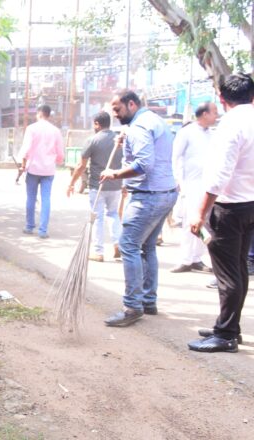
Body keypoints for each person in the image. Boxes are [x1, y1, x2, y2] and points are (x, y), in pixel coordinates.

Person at [187, 73, 254, 353]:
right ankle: (230, 327)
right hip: (249, 204)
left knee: (228, 274)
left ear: (221, 97)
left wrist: (200, 212)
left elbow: (219, 175)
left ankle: (225, 334)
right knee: (238, 268)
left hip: (229, 207)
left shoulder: (230, 125)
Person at [101, 90, 178, 327]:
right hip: (165, 193)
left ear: (131, 104)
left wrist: (115, 173)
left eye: (117, 109)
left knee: (129, 245)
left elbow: (144, 164)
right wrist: (127, 143)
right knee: (146, 247)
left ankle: (133, 306)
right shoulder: (153, 121)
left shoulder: (140, 127)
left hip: (149, 196)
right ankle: (147, 300)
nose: (114, 114)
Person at [67, 111, 123, 262]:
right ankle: (118, 243)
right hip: (116, 185)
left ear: (97, 124)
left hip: (97, 186)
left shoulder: (92, 140)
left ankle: (98, 252)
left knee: (97, 218)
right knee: (113, 214)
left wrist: (72, 183)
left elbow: (80, 166)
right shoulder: (119, 141)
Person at [170, 101, 219, 274]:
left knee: (204, 221)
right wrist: (179, 182)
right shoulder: (186, 132)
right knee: (189, 222)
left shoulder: (212, 134)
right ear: (204, 114)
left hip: (207, 185)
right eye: (214, 112)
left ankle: (197, 258)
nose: (217, 115)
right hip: (190, 184)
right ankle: (185, 259)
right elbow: (176, 157)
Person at [19, 104, 65, 238]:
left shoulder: (31, 129)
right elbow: (60, 152)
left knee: (31, 198)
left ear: (39, 114)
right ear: (49, 115)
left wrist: (23, 164)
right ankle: (43, 231)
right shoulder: (55, 131)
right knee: (46, 199)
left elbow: (26, 148)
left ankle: (29, 226)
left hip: (33, 168)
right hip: (49, 170)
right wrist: (57, 161)